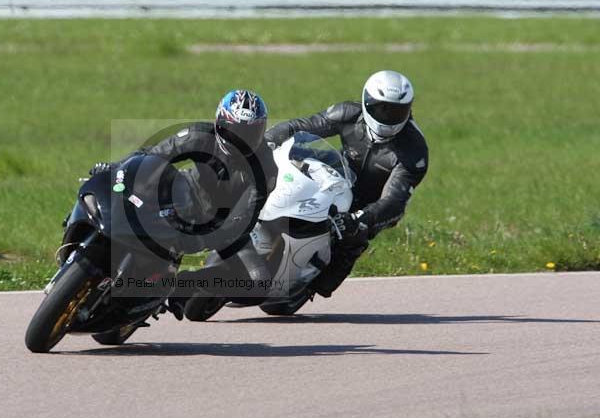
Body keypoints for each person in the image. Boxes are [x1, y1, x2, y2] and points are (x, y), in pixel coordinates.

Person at [91, 89, 278, 318]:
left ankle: (186, 283)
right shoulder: (199, 135)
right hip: (185, 195)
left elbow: (244, 218)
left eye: (250, 132)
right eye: (234, 130)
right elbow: (152, 154)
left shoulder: (265, 168)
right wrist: (116, 168)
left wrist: (203, 238)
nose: (240, 139)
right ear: (219, 123)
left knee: (259, 284)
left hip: (224, 225)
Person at [265, 70, 429, 297]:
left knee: (354, 236)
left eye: (396, 111)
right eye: (381, 108)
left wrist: (361, 217)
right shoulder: (347, 113)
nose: (388, 116)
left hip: (373, 205)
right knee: (295, 161)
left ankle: (312, 285)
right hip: (341, 178)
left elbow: (393, 201)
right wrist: (269, 140)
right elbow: (302, 125)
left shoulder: (414, 151)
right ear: (367, 102)